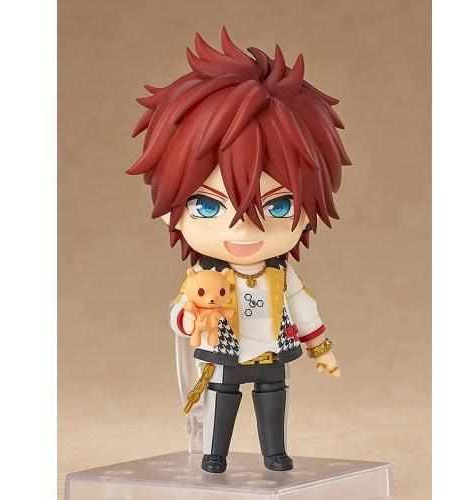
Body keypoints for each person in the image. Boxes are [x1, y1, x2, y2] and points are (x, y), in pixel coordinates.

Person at [127, 27, 351, 473]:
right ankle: (214, 453)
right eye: (208, 206)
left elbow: (303, 308)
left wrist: (320, 348)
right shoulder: (205, 277)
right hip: (226, 351)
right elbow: (180, 311)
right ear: (174, 210)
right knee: (221, 398)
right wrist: (191, 318)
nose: (245, 228)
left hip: (272, 351)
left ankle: (274, 452)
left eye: (279, 205)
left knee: (273, 397)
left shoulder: (281, 275)